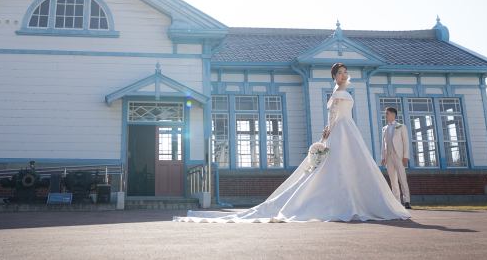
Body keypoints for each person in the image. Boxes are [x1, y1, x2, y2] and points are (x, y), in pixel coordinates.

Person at [175, 63, 409, 223]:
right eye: (340, 73)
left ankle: (357, 201)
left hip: (350, 130)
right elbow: (333, 117)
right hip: (341, 130)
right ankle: (344, 203)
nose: (344, 75)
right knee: (336, 166)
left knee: (353, 165)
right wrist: (327, 134)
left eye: (345, 72)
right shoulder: (338, 93)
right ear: (335, 78)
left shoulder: (344, 91)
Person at [381, 107, 412, 209]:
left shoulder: (401, 127)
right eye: (385, 113)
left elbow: (406, 142)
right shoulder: (384, 128)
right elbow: (383, 144)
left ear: (393, 114)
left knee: (402, 178)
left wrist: (406, 156)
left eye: (387, 113)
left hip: (399, 156)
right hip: (389, 156)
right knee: (393, 180)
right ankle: (396, 201)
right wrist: (383, 157)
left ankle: (406, 201)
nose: (385, 115)